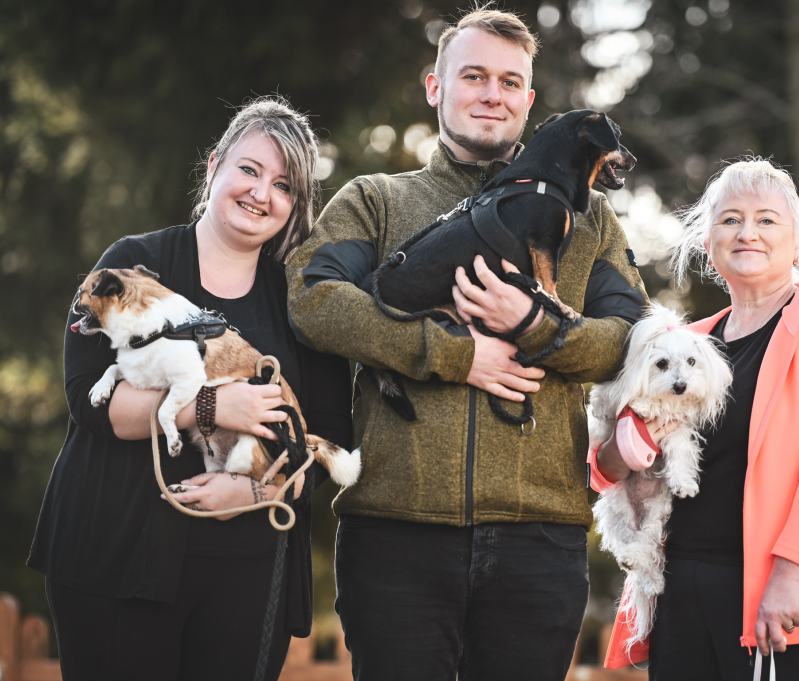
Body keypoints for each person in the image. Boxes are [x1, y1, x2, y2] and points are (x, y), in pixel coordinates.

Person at [285, 8, 646, 680]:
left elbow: (630, 342)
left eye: (510, 82)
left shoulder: (591, 219)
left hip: (540, 537)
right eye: (474, 76)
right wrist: (452, 353)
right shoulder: (375, 200)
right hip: (396, 534)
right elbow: (314, 300)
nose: (491, 94)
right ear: (436, 87)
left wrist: (536, 326)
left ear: (529, 103)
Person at [28, 96, 352, 681]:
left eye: (284, 185)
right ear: (214, 165)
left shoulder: (302, 299)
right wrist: (207, 405)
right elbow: (87, 400)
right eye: (249, 169)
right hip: (116, 559)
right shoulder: (134, 264)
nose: (261, 193)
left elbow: (327, 436)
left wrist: (254, 492)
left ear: (296, 205)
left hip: (248, 576)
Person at [591, 158, 799, 679]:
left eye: (766, 220)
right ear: (708, 244)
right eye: (730, 219)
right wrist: (623, 449)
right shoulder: (685, 349)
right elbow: (605, 471)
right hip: (681, 590)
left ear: (797, 244)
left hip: (781, 589)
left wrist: (789, 574)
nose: (747, 232)